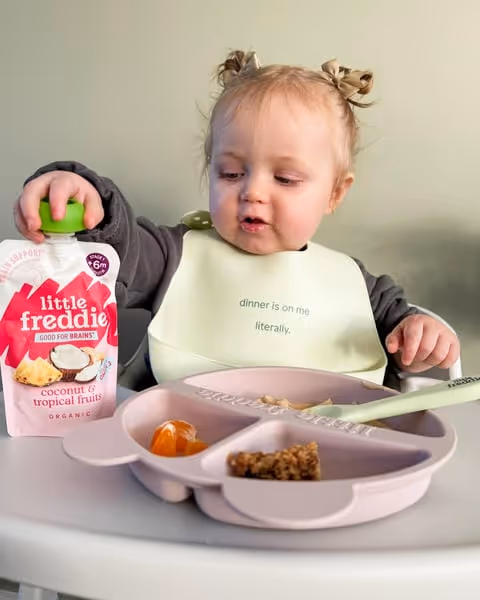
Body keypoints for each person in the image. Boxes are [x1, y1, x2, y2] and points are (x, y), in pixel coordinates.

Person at [14, 50, 460, 390]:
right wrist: (82, 193)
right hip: (175, 448)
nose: (252, 192)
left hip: (319, 461)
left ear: (335, 193)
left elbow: (401, 347)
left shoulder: (358, 288)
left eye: (285, 178)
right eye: (230, 173)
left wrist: (418, 338)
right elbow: (113, 249)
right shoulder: (172, 256)